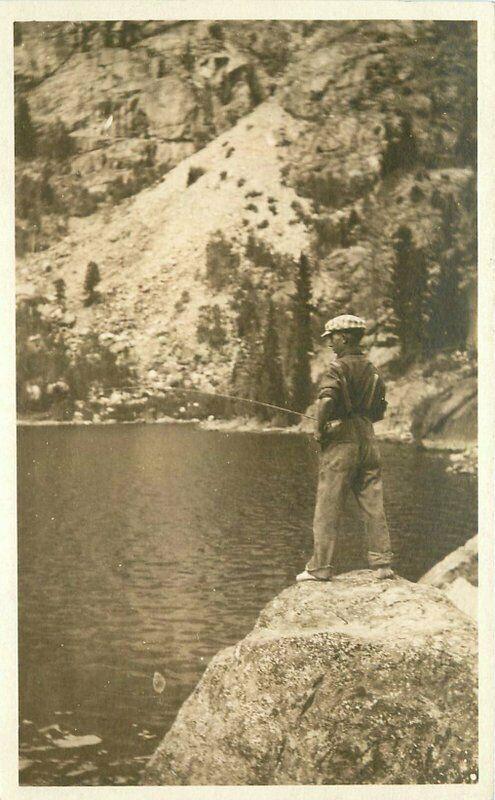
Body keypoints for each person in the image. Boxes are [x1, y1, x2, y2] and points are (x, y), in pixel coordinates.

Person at [297, 314, 395, 582]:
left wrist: (319, 429)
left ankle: (320, 567)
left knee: (328, 504)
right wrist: (361, 422)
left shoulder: (337, 368)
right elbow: (379, 410)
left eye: (332, 338)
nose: (330, 343)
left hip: (341, 441)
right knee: (373, 501)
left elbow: (327, 401)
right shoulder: (373, 370)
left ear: (345, 337)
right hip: (368, 436)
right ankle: (383, 563)